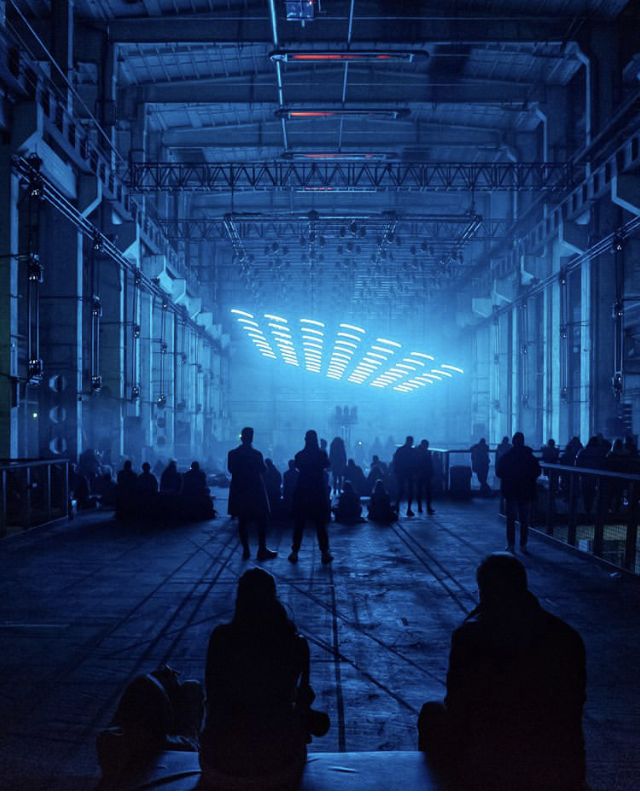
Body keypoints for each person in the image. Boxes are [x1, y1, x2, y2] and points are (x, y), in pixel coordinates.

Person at [418, 553, 586, 790]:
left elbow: (458, 705)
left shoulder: (471, 637)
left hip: (492, 760)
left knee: (431, 713)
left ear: (483, 590)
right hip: (560, 758)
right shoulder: (566, 636)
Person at [200, 568, 329, 789]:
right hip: (278, 766)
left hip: (219, 765)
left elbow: (212, 696)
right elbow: (302, 706)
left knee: (191, 693)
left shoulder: (221, 638)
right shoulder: (295, 643)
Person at [227, 428, 277, 562]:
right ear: (251, 438)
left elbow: (231, 469)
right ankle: (262, 549)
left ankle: (246, 550)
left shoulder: (233, 454)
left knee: (242, 521)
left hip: (240, 490)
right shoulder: (256, 454)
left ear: (241, 438)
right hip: (255, 490)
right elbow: (263, 469)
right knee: (261, 520)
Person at [289, 430, 333, 564]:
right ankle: (324, 553)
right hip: (317, 492)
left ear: (305, 440)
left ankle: (295, 552)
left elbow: (297, 467)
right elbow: (328, 465)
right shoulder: (321, 454)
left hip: (303, 491)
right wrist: (323, 448)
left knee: (299, 524)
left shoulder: (299, 455)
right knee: (320, 524)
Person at [495, 432, 541, 553]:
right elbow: (537, 472)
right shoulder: (530, 456)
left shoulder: (506, 456)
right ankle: (523, 545)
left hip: (510, 491)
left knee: (511, 519)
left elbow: (499, 472)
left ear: (513, 442)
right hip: (526, 491)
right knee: (524, 520)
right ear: (523, 441)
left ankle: (511, 544)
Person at [393, 436, 416, 517]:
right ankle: (409, 509)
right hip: (409, 473)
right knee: (410, 491)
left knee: (400, 490)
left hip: (401, 473)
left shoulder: (400, 450)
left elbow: (395, 461)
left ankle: (397, 506)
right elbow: (415, 462)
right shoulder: (413, 451)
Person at [414, 439, 435, 515]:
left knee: (420, 491)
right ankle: (428, 507)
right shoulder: (426, 453)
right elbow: (430, 464)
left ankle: (420, 507)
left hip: (420, 474)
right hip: (426, 474)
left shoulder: (417, 452)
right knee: (427, 491)